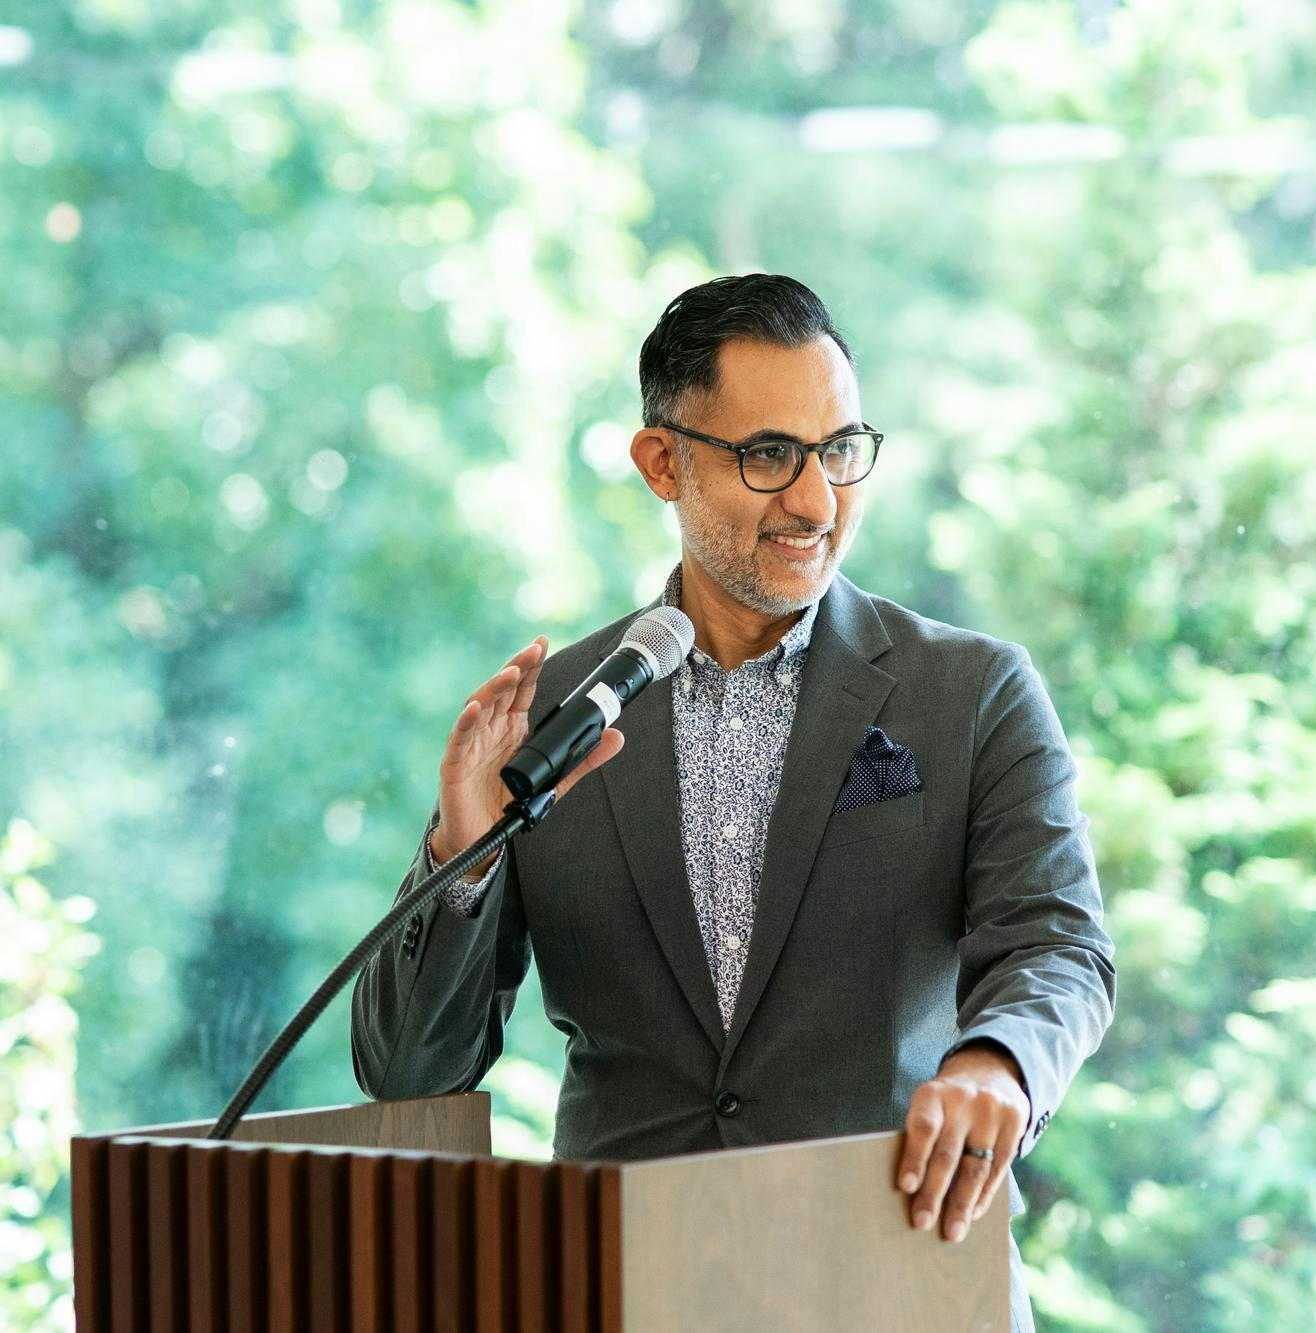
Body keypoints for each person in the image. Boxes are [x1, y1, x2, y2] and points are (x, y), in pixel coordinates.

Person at [351, 273, 1114, 1331]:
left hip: (899, 1283)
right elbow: (407, 1071)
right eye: (768, 456)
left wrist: (1001, 1062)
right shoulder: (552, 719)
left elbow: (1059, 947)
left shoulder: (972, 690)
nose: (814, 500)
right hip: (627, 1288)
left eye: (839, 450)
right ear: (661, 461)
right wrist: (464, 851)